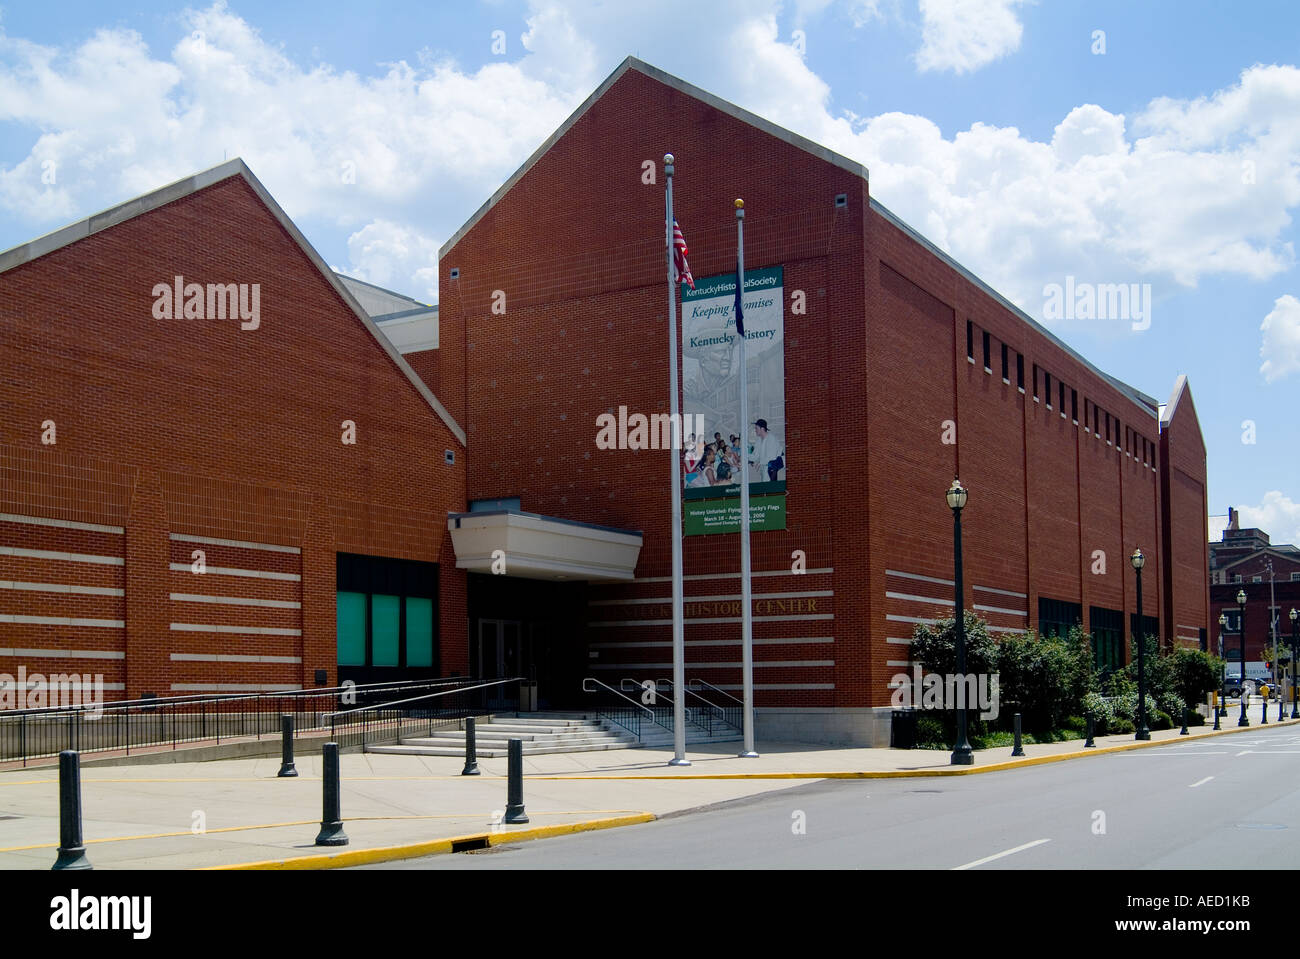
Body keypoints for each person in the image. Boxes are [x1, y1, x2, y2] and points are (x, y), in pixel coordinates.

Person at [749, 418, 785, 482]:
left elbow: (771, 457)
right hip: (765, 468)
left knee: (770, 487)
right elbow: (755, 455)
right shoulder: (759, 440)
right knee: (765, 484)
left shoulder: (771, 439)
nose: (755, 430)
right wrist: (746, 458)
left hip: (774, 468)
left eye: (756, 428)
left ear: (762, 429)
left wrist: (759, 463)